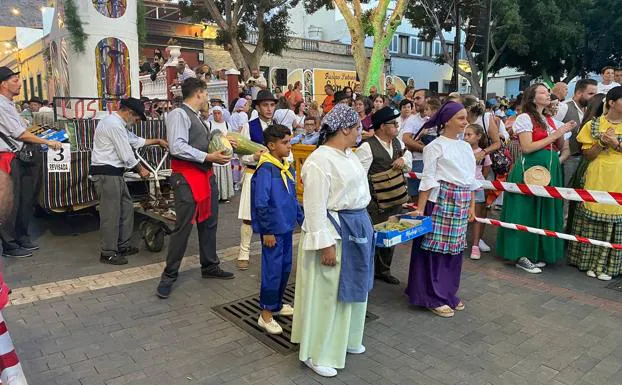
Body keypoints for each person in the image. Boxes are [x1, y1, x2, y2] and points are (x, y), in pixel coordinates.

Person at [291, 104, 373, 378]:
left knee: (353, 289)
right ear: (345, 128)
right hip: (335, 233)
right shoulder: (319, 160)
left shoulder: (348, 154)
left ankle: (346, 339)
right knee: (329, 295)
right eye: (358, 126)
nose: (361, 130)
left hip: (355, 228)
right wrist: (325, 243)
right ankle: (319, 352)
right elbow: (314, 208)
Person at [156, 78, 235, 299]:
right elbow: (178, 146)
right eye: (207, 93)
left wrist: (225, 143)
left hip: (204, 175)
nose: (208, 98)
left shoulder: (198, 117)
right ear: (199, 93)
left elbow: (202, 141)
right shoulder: (178, 115)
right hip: (187, 177)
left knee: (209, 222)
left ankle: (210, 265)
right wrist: (208, 156)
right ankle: (169, 275)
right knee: (183, 227)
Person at [405, 102, 479, 318]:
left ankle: (447, 292)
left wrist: (472, 207)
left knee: (454, 250)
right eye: (461, 118)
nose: (466, 122)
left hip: (462, 200)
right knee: (434, 250)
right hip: (441, 200)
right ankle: (431, 295)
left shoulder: (465, 146)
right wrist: (420, 209)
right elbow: (427, 179)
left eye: (466, 118)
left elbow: (470, 179)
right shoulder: (434, 146)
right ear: (447, 121)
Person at [496, 84, 575, 274]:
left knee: (544, 210)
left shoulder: (551, 120)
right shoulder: (525, 118)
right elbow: (528, 147)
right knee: (524, 211)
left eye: (548, 92)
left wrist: (556, 160)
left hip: (549, 172)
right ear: (532, 97)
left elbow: (565, 149)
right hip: (528, 170)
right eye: (542, 92)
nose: (548, 94)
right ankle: (521, 254)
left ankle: (537, 251)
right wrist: (555, 135)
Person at [90, 98, 167, 265]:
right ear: (130, 113)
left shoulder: (121, 125)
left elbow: (135, 140)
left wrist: (157, 141)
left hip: (116, 174)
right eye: (138, 118)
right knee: (111, 214)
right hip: (106, 173)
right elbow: (126, 154)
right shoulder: (114, 124)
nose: (137, 121)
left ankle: (122, 245)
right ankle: (108, 252)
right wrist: (141, 169)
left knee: (126, 209)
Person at [0, 66, 62, 258]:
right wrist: (47, 141)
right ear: (3, 84)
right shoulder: (1, 105)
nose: (19, 83)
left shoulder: (10, 104)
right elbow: (19, 133)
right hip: (8, 158)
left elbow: (23, 128)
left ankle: (21, 237)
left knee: (25, 199)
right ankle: (9, 244)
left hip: (20, 156)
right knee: (11, 203)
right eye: (15, 80)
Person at [251, 124, 304, 334]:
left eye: (289, 141)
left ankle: (277, 304)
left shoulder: (285, 167)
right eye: (284, 143)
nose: (289, 146)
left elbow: (292, 198)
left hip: (286, 227)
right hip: (273, 230)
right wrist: (267, 231)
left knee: (284, 268)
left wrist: (302, 220)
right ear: (271, 145)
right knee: (272, 271)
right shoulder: (266, 169)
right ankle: (265, 314)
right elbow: (261, 203)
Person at [567, 87, 622, 281]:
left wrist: (616, 144)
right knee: (593, 215)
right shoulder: (593, 125)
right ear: (612, 103)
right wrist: (602, 143)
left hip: (619, 179)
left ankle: (607, 266)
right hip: (597, 176)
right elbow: (587, 155)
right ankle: (590, 263)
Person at [356, 107, 412, 285]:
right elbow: (359, 176)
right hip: (375, 203)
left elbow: (408, 155)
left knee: (391, 236)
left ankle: (383, 270)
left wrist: (403, 160)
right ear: (381, 126)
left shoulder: (397, 143)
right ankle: (368, 271)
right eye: (393, 123)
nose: (397, 126)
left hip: (395, 199)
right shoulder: (367, 147)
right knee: (373, 238)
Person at [237, 90, 276, 270]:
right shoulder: (249, 126)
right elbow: (241, 157)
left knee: (272, 214)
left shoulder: (278, 126)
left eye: (272, 105)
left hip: (274, 176)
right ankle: (243, 253)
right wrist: (254, 157)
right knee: (248, 217)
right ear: (258, 107)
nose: (269, 109)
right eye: (265, 105)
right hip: (253, 174)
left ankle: (270, 250)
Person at [562, 79, 598, 186]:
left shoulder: (590, 109)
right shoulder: (564, 107)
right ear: (578, 93)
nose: (594, 97)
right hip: (568, 159)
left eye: (595, 94)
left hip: (584, 158)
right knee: (566, 192)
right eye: (591, 93)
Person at [463, 124, 492, 260]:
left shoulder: (483, 153)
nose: (466, 137)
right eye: (465, 134)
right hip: (462, 187)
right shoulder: (461, 150)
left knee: (477, 217)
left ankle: (475, 245)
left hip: (477, 188)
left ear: (478, 136)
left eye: (469, 135)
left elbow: (485, 171)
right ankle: (460, 239)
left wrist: (479, 182)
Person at [402, 89, 431, 201]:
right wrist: (425, 148)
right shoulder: (412, 120)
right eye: (414, 99)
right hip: (417, 162)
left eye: (418, 98)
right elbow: (406, 140)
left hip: (435, 163)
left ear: (428, 99)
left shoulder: (439, 119)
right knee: (415, 199)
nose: (415, 101)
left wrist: (415, 145)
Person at [206, 106, 234, 202]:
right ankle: (216, 196)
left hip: (225, 154)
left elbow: (231, 137)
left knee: (225, 176)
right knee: (216, 177)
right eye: (215, 113)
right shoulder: (209, 124)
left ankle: (225, 196)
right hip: (214, 155)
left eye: (219, 113)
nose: (217, 115)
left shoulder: (227, 125)